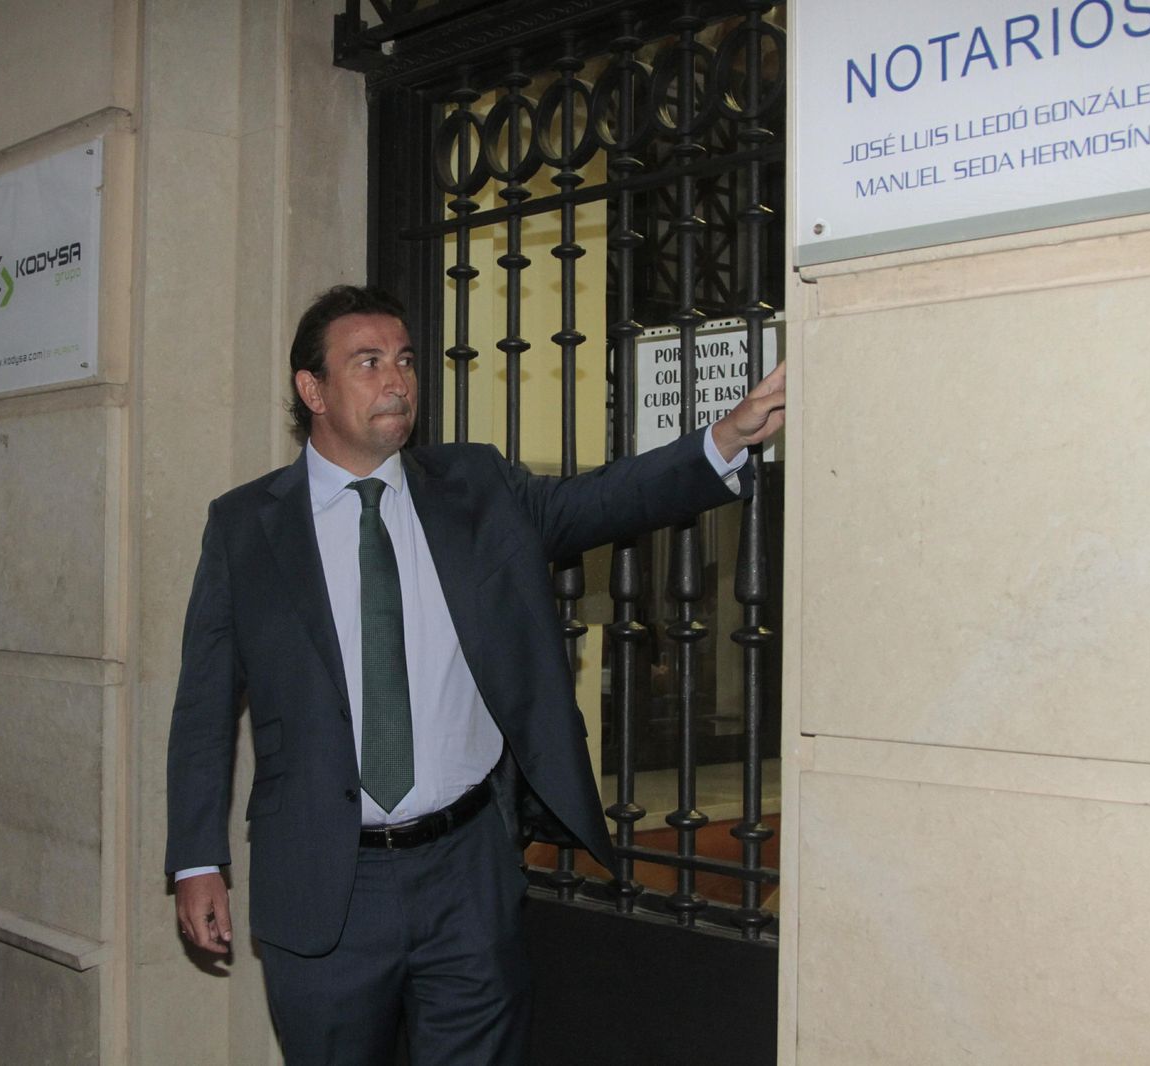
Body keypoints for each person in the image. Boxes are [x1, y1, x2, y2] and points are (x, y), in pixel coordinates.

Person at [165, 285, 786, 1064]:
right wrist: (196, 860)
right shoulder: (244, 528)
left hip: (466, 873)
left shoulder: (476, 488)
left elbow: (599, 501)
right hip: (324, 880)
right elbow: (203, 707)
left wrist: (724, 438)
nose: (397, 380)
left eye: (404, 360)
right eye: (368, 363)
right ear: (312, 390)